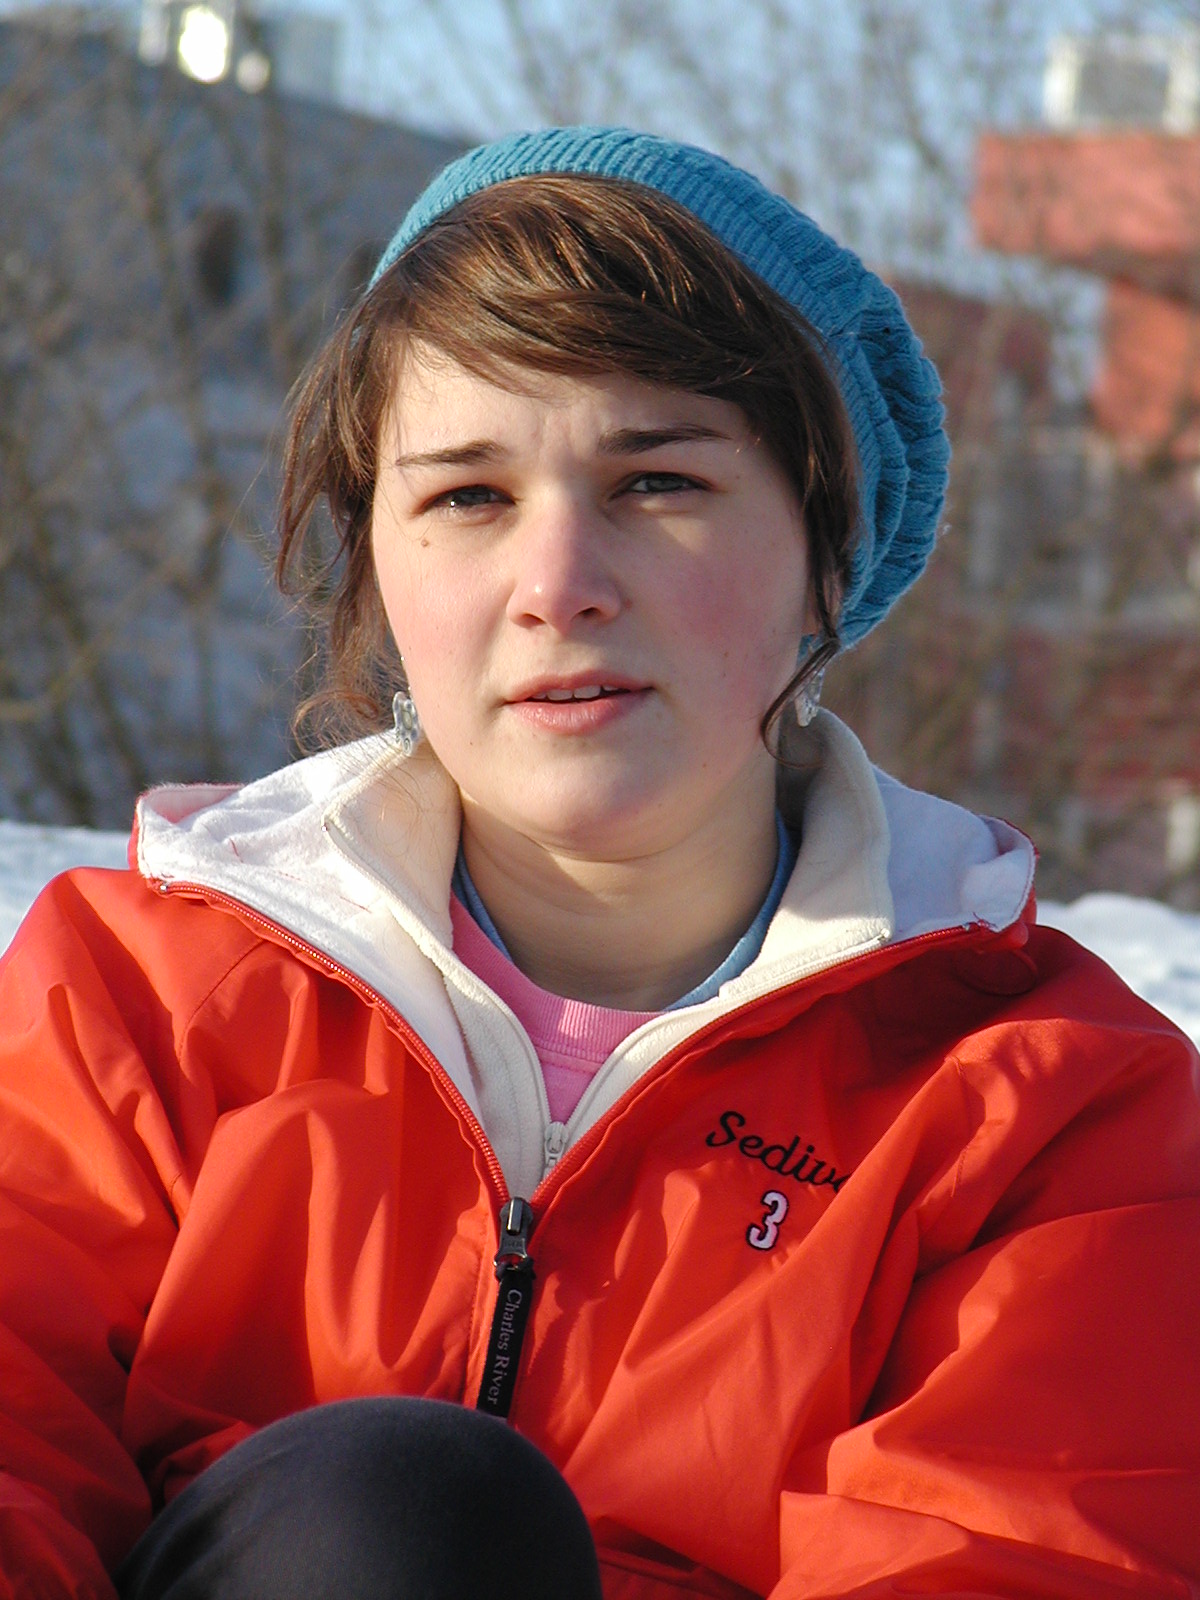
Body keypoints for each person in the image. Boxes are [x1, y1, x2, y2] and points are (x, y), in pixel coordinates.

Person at [1, 125, 1198, 1600]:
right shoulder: (142, 1000)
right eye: (469, 497)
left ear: (825, 555)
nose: (557, 586)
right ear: (376, 565)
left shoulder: (1044, 1113)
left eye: (657, 483)